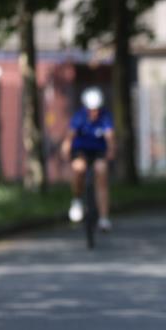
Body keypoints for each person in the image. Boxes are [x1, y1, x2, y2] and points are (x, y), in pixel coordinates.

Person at [61, 86, 115, 231]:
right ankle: (77, 200)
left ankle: (103, 218)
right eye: (91, 109)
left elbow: (110, 136)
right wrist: (66, 148)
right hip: (81, 150)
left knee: (101, 172)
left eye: (96, 109)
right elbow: (70, 136)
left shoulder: (105, 116)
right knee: (79, 168)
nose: (94, 112)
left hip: (98, 151)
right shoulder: (79, 117)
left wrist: (111, 149)